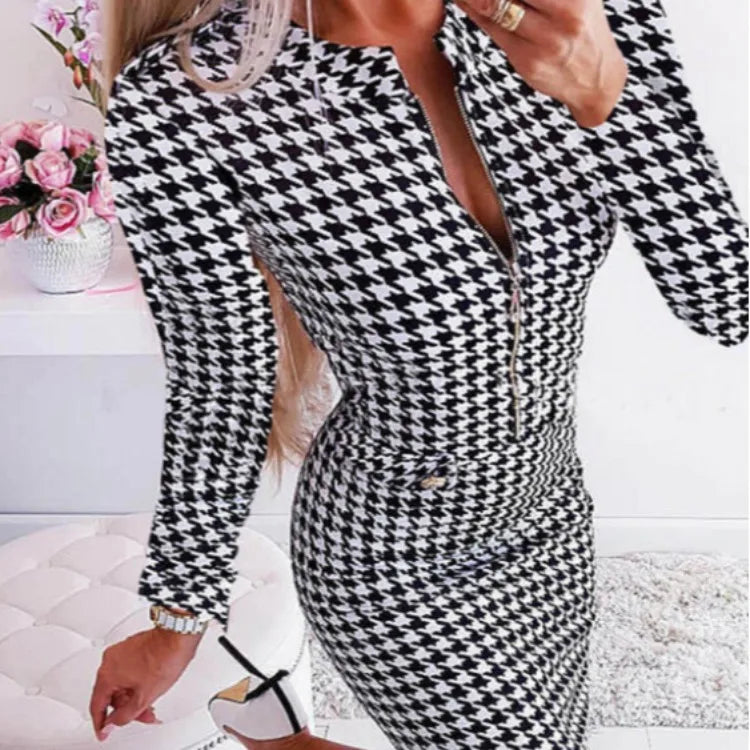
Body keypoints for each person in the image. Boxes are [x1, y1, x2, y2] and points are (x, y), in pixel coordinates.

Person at [91, 0, 748, 748]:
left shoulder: (593, 13)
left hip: (550, 510)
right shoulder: (189, 95)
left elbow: (725, 302)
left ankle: (271, 733)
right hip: (390, 548)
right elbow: (222, 383)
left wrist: (607, 95)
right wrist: (177, 620)